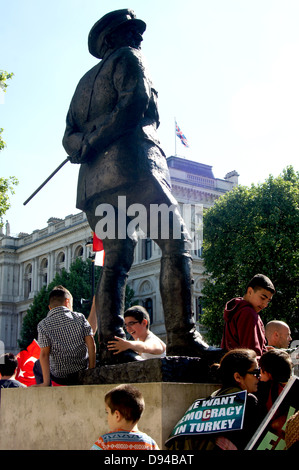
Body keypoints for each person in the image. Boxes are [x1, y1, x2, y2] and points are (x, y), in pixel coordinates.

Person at [62, 8, 220, 364]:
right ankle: (182, 337)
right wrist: (98, 137)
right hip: (133, 168)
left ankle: (110, 346)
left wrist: (86, 144)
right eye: (131, 31)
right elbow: (134, 103)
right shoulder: (130, 57)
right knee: (175, 242)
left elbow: (68, 137)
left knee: (115, 262)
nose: (138, 37)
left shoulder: (82, 84)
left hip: (96, 186)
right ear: (113, 39)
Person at [166, 349, 264, 450]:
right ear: (238, 377)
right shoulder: (247, 402)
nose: (259, 377)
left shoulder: (204, 403)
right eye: (256, 372)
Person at [35, 285, 96, 386]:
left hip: (60, 376)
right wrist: (91, 370)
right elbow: (91, 345)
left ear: (50, 308)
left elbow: (44, 354)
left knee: (37, 364)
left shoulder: (43, 325)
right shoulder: (80, 317)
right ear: (67, 302)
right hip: (81, 371)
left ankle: (46, 386)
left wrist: (46, 382)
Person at [90, 384, 159, 450]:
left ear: (117, 415)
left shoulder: (105, 442)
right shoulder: (150, 444)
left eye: (107, 412)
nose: (107, 417)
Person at [221, 274, 275, 357]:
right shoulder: (248, 313)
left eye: (268, 301)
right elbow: (251, 356)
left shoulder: (236, 309)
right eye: (263, 298)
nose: (265, 304)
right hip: (247, 368)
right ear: (250, 291)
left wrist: (263, 348)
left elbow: (239, 346)